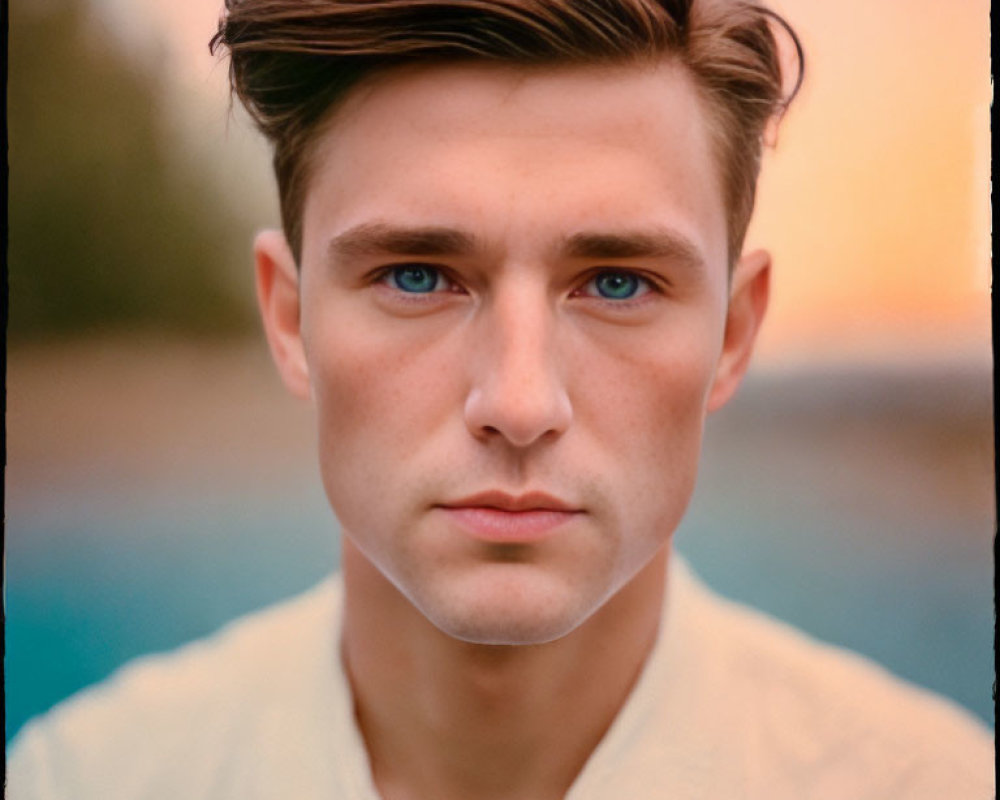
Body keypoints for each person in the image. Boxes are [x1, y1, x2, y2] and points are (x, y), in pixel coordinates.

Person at [7, 1, 993, 797]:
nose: (519, 404)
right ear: (290, 318)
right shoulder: (83, 778)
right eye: (417, 274)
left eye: (615, 281)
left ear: (732, 334)